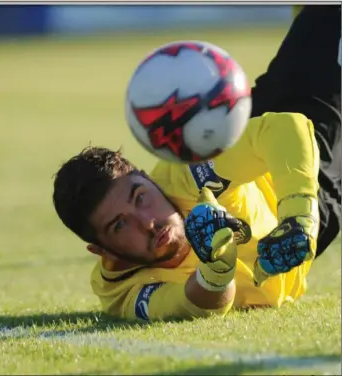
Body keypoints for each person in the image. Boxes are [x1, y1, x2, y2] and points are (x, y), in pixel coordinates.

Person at [52, 5, 341, 322]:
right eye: (119, 225)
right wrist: (216, 267)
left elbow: (289, 128)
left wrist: (298, 217)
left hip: (289, 167)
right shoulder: (118, 289)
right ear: (102, 251)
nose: (147, 221)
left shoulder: (189, 174)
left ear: (147, 177)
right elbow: (195, 305)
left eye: (140, 196)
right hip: (323, 194)